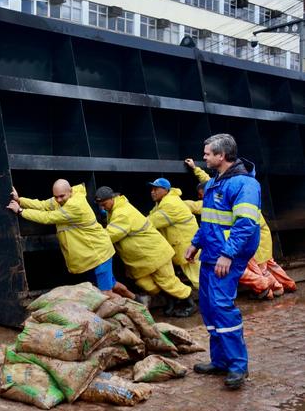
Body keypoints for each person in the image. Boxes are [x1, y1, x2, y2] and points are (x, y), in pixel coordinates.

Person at [185, 134, 261, 390]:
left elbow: (246, 224)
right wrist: (196, 243)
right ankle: (220, 360)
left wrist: (228, 254)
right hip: (212, 255)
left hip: (226, 258)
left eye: (207, 153)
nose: (203, 157)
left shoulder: (245, 185)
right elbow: (209, 220)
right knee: (208, 307)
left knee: (221, 306)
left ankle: (238, 366)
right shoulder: (215, 183)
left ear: (222, 156)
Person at [185, 158, 296, 299]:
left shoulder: (226, 196)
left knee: (262, 267)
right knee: (267, 264)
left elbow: (196, 204)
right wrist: (195, 168)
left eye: (202, 196)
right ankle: (286, 285)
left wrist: (176, 203)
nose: (203, 198)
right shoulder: (234, 189)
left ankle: (276, 288)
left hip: (255, 237)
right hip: (256, 235)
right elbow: (208, 181)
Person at [7, 180, 126, 298]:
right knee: (112, 285)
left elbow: (48, 217)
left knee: (106, 294)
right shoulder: (63, 199)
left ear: (70, 191)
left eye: (61, 196)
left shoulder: (75, 205)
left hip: (99, 254)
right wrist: (20, 200)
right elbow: (43, 205)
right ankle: (135, 299)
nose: (58, 200)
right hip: (93, 255)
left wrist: (20, 211)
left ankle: (129, 312)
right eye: (56, 197)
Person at [95, 187, 195, 316]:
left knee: (167, 281)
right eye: (100, 205)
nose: (103, 208)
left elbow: (111, 234)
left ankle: (189, 303)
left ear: (112, 198)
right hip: (142, 258)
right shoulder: (114, 210)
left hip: (155, 253)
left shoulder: (122, 213)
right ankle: (171, 300)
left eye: (104, 204)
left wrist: (92, 235)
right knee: (146, 283)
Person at [148, 177, 200, 289]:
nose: (152, 192)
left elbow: (151, 222)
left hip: (188, 247)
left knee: (198, 279)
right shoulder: (163, 202)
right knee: (199, 277)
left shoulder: (170, 204)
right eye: (152, 189)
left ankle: (217, 303)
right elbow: (152, 215)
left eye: (156, 189)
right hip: (186, 245)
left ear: (165, 190)